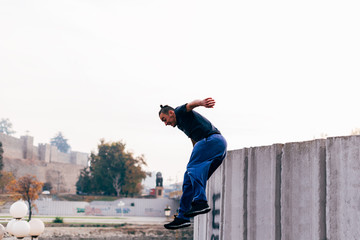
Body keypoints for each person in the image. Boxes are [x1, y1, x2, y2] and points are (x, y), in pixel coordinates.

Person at [159, 97, 227, 230]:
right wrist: (195, 153)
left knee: (192, 168)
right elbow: (194, 139)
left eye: (164, 119)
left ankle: (201, 202)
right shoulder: (181, 125)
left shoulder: (179, 111)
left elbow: (190, 105)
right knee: (189, 179)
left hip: (212, 140)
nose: (165, 124)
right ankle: (182, 217)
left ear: (171, 113)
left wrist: (201, 103)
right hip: (214, 146)